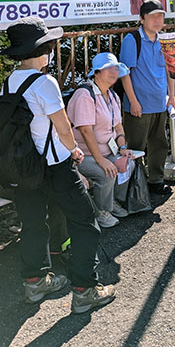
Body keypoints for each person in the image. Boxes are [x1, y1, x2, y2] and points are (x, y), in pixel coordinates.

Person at [0, 17, 115, 314]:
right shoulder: (45, 82)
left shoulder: (8, 82)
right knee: (84, 221)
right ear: (42, 50)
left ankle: (35, 282)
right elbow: (64, 129)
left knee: (34, 224)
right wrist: (75, 150)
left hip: (25, 169)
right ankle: (85, 289)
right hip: (55, 166)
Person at [67, 53, 133, 229]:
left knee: (128, 164)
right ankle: (101, 211)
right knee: (106, 172)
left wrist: (123, 147)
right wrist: (100, 160)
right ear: (96, 73)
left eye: (115, 68)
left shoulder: (112, 96)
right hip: (83, 155)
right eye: (108, 68)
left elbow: (118, 127)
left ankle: (111, 202)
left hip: (107, 150)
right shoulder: (85, 94)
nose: (114, 72)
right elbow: (86, 131)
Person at [120, 0, 175, 195]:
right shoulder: (132, 40)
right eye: (152, 16)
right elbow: (124, 74)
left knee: (160, 144)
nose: (157, 20)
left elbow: (170, 69)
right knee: (135, 147)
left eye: (160, 16)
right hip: (139, 106)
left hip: (160, 103)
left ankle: (156, 181)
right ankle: (135, 187)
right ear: (141, 19)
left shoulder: (164, 40)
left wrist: (172, 96)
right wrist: (133, 101)